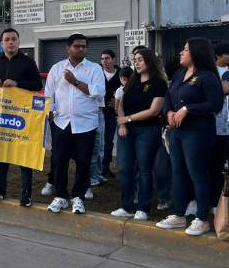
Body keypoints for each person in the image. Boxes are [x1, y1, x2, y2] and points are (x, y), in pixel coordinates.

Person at [157, 38, 223, 236]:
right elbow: (168, 96)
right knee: (177, 173)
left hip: (198, 132)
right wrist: (169, 111)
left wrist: (187, 109)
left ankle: (202, 218)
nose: (181, 52)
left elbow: (215, 104)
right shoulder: (180, 74)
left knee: (197, 174)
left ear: (196, 52)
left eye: (185, 50)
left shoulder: (207, 77)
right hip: (177, 132)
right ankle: (179, 214)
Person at [43, 33, 104, 215]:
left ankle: (78, 197)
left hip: (86, 124)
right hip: (61, 122)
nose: (81, 49)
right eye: (77, 46)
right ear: (68, 48)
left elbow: (98, 92)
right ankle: (60, 196)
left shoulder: (94, 69)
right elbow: (49, 94)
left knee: (84, 162)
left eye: (84, 46)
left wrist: (75, 82)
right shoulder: (57, 68)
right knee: (59, 160)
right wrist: (51, 116)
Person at [110, 48, 167, 221]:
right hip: (126, 130)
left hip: (147, 130)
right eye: (135, 60)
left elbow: (154, 110)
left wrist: (127, 119)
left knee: (144, 169)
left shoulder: (159, 83)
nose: (137, 63)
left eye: (140, 59)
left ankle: (143, 207)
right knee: (124, 168)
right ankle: (127, 206)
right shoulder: (132, 81)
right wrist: (122, 123)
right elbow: (121, 104)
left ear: (149, 61)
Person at [210, 42, 229, 209]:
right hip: (209, 125)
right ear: (218, 55)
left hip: (221, 126)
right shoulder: (212, 71)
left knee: (217, 165)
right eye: (228, 54)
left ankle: (216, 201)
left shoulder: (226, 72)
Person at [100, 50, 121, 178]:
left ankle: (105, 168)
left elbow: (128, 90)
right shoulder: (97, 72)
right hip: (97, 111)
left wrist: (117, 104)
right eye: (102, 59)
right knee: (97, 141)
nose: (104, 61)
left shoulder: (120, 74)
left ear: (113, 59)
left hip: (113, 113)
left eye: (107, 58)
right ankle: (95, 169)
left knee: (108, 140)